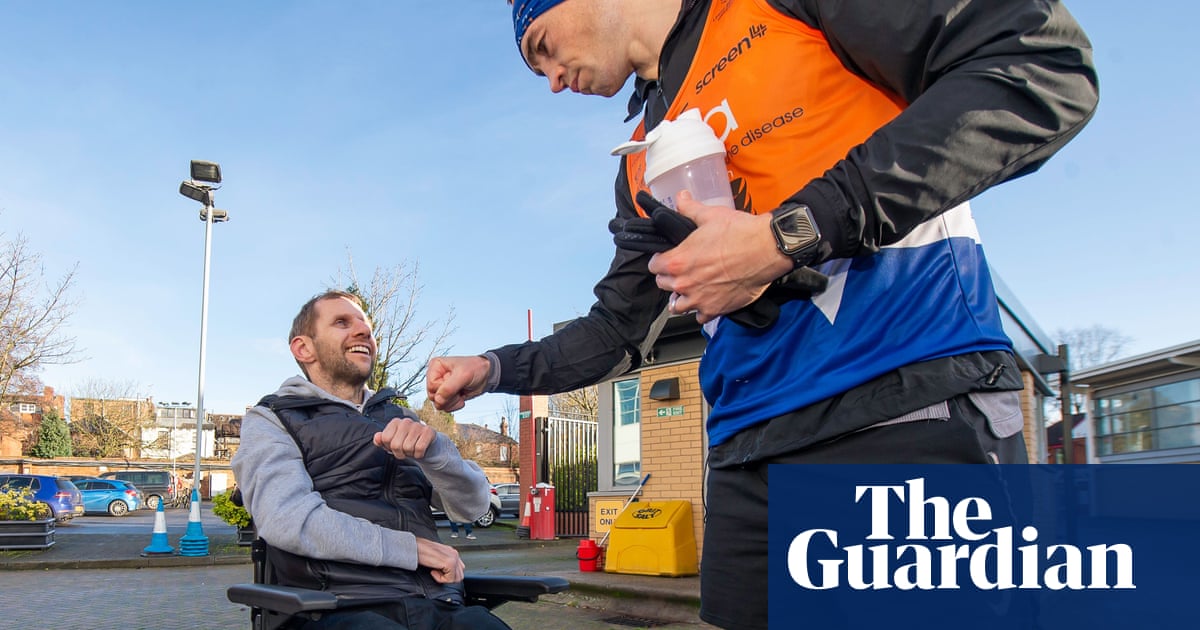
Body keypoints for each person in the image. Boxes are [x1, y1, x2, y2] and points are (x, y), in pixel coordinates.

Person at [430, 1, 1098, 628]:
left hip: (904, 397)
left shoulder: (774, 10)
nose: (548, 80)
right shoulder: (640, 160)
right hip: (749, 460)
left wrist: (787, 236)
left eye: (542, 47)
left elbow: (1038, 67)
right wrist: (491, 368)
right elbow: (615, 330)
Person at [232, 290, 510, 630]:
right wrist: (412, 549)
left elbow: (474, 506)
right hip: (333, 606)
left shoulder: (403, 417)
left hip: (435, 602)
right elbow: (288, 519)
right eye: (341, 322)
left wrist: (438, 453)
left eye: (366, 324)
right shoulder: (274, 418)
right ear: (304, 348)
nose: (364, 331)